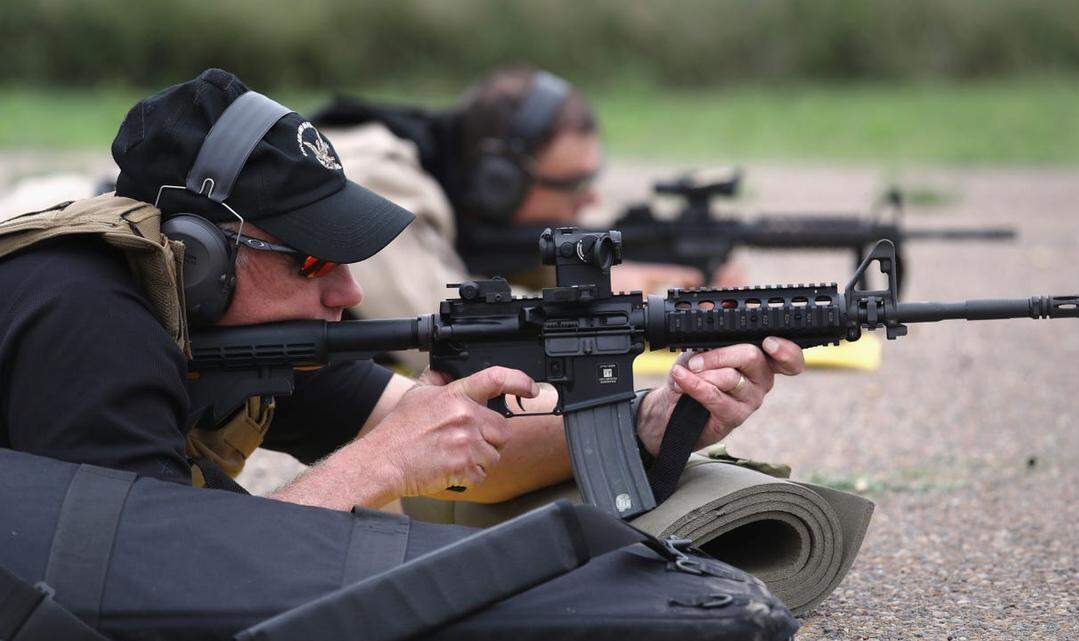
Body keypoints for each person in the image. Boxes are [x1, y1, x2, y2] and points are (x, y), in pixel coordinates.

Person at [0, 69, 805, 509]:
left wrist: (650, 422)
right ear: (199, 251)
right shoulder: (85, 316)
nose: (348, 293)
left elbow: (458, 449)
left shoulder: (232, 327)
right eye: (314, 261)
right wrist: (377, 466)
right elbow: (155, 583)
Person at [314, 68, 746, 372]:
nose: (589, 199)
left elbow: (489, 256)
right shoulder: (374, 177)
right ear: (499, 182)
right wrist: (635, 313)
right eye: (572, 185)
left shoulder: (458, 180)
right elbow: (446, 335)